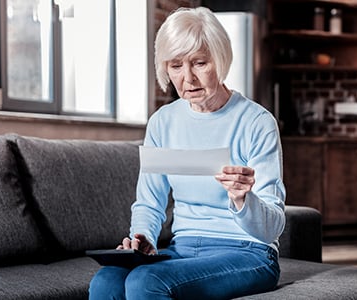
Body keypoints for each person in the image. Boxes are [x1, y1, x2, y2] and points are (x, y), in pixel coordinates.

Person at [88, 6, 286, 300]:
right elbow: (149, 202)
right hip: (184, 247)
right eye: (176, 65)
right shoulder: (163, 122)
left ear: (220, 60)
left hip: (249, 251)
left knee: (147, 282)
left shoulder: (257, 123)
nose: (188, 78)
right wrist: (143, 238)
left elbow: (272, 228)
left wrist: (244, 199)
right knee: (106, 282)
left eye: (200, 63)